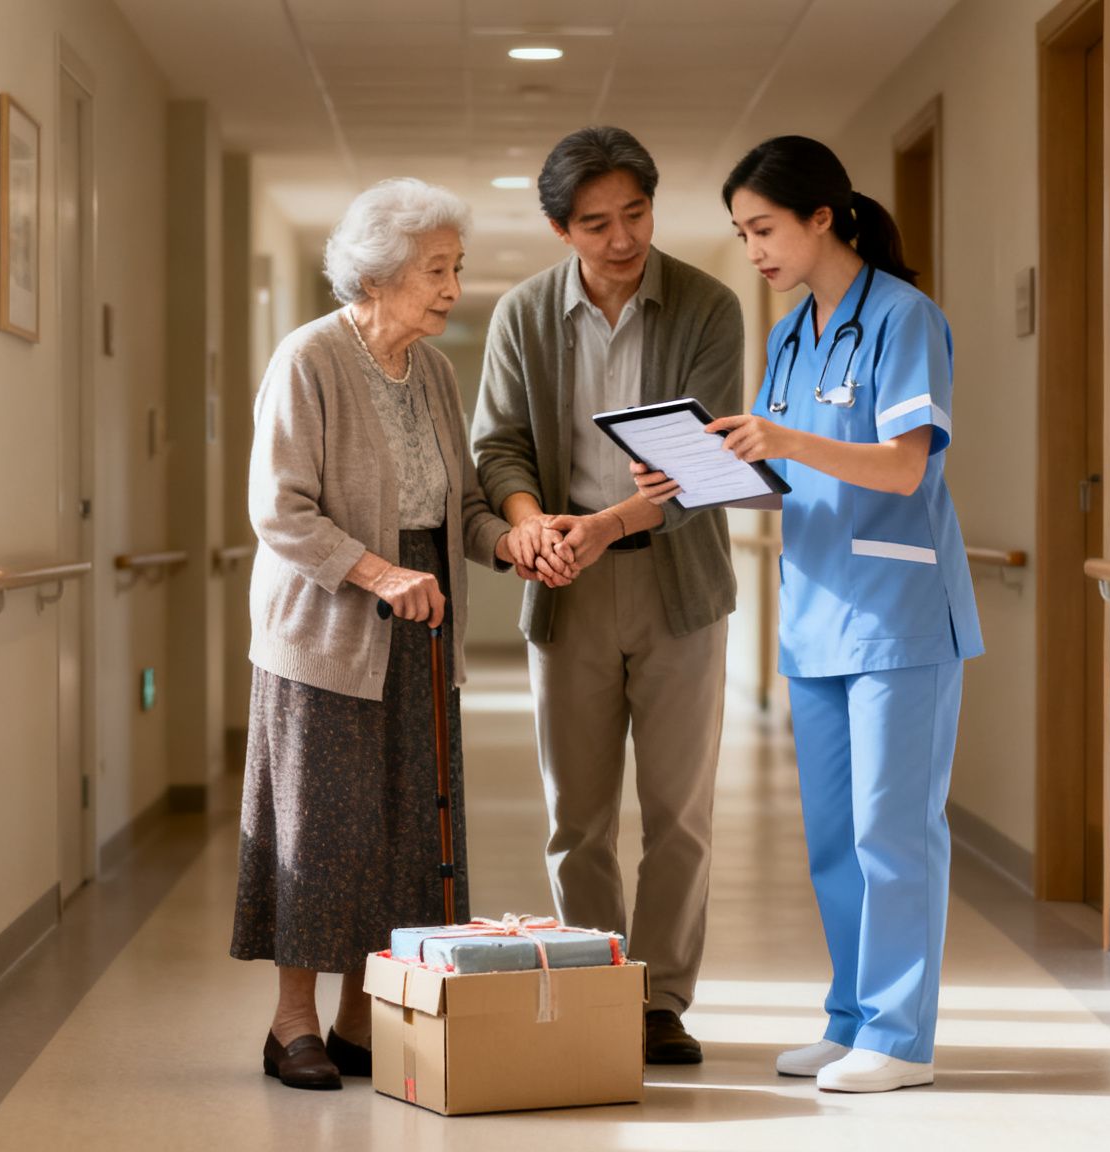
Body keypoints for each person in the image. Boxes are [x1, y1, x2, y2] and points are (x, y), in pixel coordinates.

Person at [635, 135, 983, 1093]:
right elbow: (780, 482)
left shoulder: (905, 318)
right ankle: (850, 1019)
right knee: (833, 836)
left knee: (892, 829)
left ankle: (900, 1036)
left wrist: (783, 437)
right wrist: (700, 480)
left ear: (822, 216)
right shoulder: (791, 333)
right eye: (742, 234)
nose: (754, 251)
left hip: (902, 611)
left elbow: (905, 465)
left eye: (764, 229)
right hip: (820, 610)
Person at [232, 178, 531, 1091]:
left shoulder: (435, 371)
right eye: (434, 271)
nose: (450, 287)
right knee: (321, 827)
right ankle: (292, 1025)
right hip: (326, 629)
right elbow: (278, 508)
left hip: (420, 630)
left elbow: (462, 504)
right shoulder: (309, 358)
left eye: (455, 268)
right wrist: (379, 573)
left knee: (405, 824)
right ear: (377, 275)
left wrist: (514, 540)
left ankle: (364, 1017)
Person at [471, 125, 744, 1065]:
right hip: (567, 589)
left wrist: (605, 525)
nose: (622, 239)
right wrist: (536, 523)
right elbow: (496, 444)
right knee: (577, 815)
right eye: (597, 223)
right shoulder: (522, 315)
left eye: (635, 215)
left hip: (678, 586)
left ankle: (661, 1002)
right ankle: (596, 985)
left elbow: (701, 463)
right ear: (561, 230)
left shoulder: (706, 305)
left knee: (680, 813)